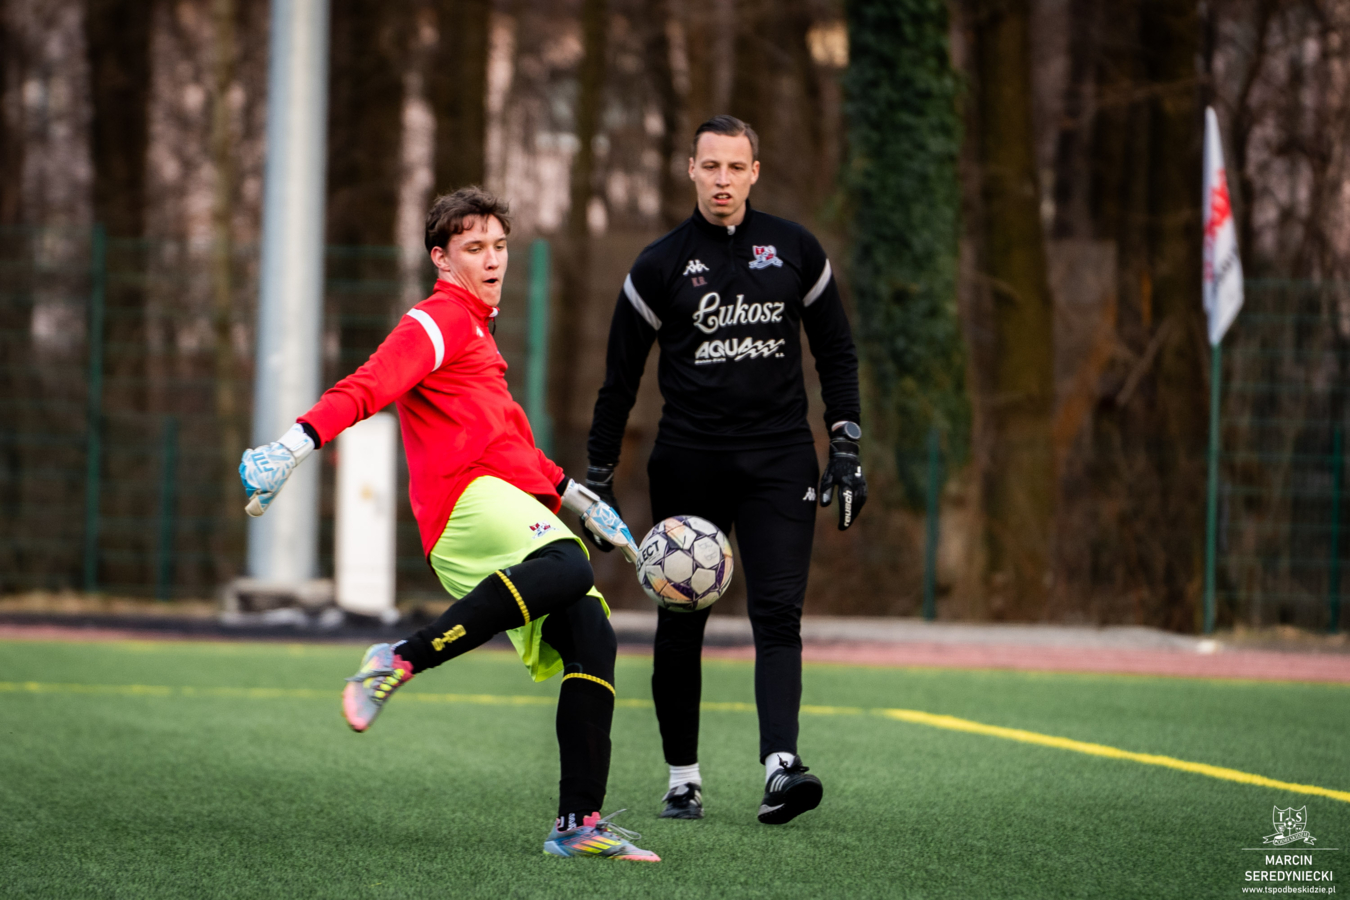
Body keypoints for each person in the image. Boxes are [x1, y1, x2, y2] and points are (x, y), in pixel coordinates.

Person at [238, 187, 661, 862]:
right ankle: (399, 658)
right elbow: (366, 385)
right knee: (569, 565)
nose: (492, 260)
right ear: (441, 258)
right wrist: (291, 447)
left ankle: (577, 824)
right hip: (463, 503)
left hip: (497, 501)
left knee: (593, 634)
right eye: (474, 248)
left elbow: (513, 446)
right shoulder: (437, 320)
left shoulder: (478, 335)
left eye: (499, 246)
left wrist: (579, 500)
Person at [584, 115, 866, 826]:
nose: (722, 180)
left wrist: (846, 444)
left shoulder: (795, 249)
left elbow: (836, 352)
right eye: (710, 166)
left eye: (735, 167)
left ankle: (781, 768)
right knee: (682, 619)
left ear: (754, 173)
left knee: (779, 614)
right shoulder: (659, 264)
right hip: (690, 462)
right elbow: (619, 380)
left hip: (781, 459)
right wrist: (598, 474)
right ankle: (683, 778)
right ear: (690, 169)